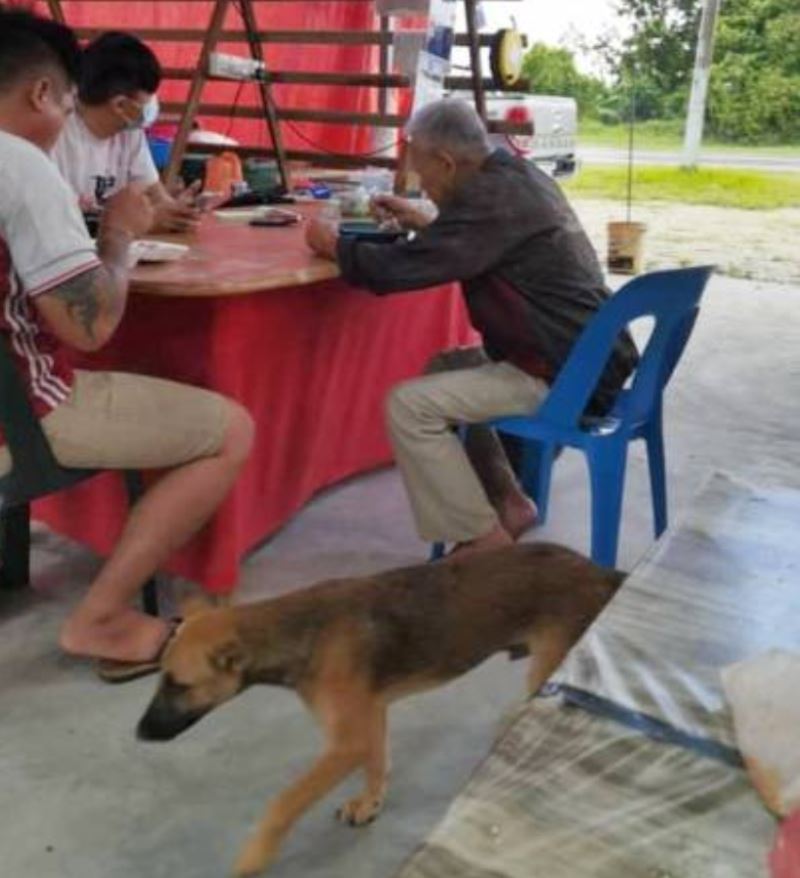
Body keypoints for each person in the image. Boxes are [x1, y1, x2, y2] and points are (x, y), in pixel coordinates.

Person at [0, 8, 254, 677]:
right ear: (42, 95)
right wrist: (115, 238)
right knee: (231, 430)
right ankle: (104, 616)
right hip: (20, 416)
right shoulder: (23, 165)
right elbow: (91, 327)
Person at [306, 98, 638, 557]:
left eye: (424, 174)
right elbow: (486, 241)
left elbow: (393, 272)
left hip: (564, 375)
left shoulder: (491, 199)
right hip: (588, 358)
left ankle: (483, 542)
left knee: (408, 406)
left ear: (446, 162)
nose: (425, 185)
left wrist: (334, 247)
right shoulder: (517, 178)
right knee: (447, 365)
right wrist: (427, 221)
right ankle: (507, 501)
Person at [50, 30, 199, 232]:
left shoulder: (129, 131)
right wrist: (144, 223)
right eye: (146, 100)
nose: (151, 106)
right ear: (120, 105)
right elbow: (55, 225)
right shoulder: (53, 132)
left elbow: (155, 196)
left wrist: (177, 211)